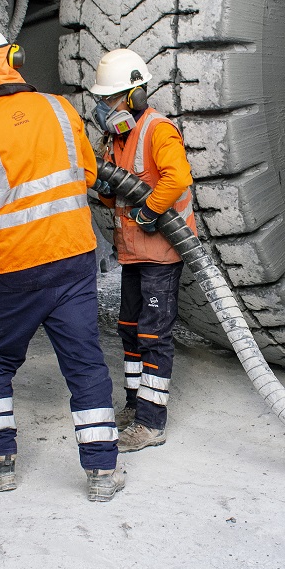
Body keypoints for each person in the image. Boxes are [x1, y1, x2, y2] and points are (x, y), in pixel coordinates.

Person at [0, 24, 123, 502]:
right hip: (73, 259)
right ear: (13, 58)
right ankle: (103, 472)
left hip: (15, 270)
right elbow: (87, 174)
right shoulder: (61, 109)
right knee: (86, 365)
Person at [90, 48, 197, 453]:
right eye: (101, 99)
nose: (104, 107)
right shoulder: (115, 137)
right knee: (130, 330)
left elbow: (176, 178)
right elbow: (117, 196)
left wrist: (151, 209)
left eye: (110, 99)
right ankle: (135, 406)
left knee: (153, 334)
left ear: (133, 96)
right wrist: (103, 190)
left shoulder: (158, 130)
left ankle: (152, 424)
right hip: (133, 253)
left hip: (160, 254)